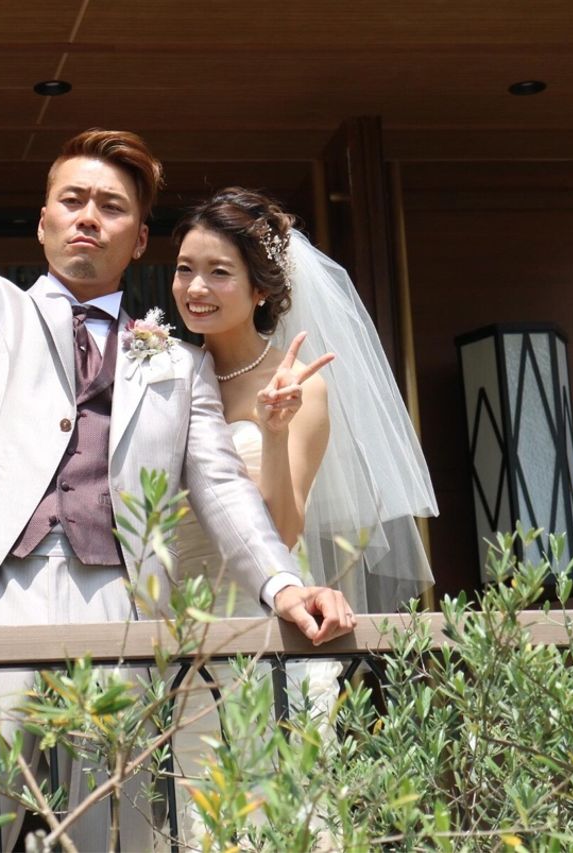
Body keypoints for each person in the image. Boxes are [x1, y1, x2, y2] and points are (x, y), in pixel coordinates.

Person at [0, 120, 357, 851]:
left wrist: (284, 586)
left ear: (140, 239)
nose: (88, 216)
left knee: (117, 833)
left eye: (111, 206)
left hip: (123, 607)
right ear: (43, 222)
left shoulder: (179, 363)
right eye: (72, 200)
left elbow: (223, 488)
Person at [166, 188, 438, 844]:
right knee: (187, 822)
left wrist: (274, 431)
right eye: (183, 269)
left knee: (279, 819)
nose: (195, 288)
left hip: (264, 623)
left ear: (260, 289)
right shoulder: (164, 373)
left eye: (218, 272)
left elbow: (284, 533)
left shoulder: (301, 385)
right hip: (172, 629)